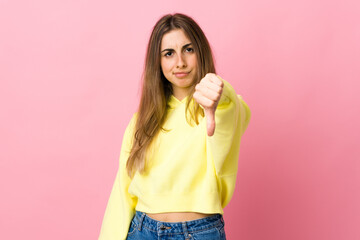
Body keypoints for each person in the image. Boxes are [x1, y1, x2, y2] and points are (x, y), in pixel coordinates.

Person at [98, 13, 251, 240]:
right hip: (143, 230)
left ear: (201, 52)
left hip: (200, 232)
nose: (180, 61)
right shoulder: (141, 121)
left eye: (188, 49)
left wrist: (218, 93)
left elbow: (228, 106)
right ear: (158, 62)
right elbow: (122, 189)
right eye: (168, 54)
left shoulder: (226, 107)